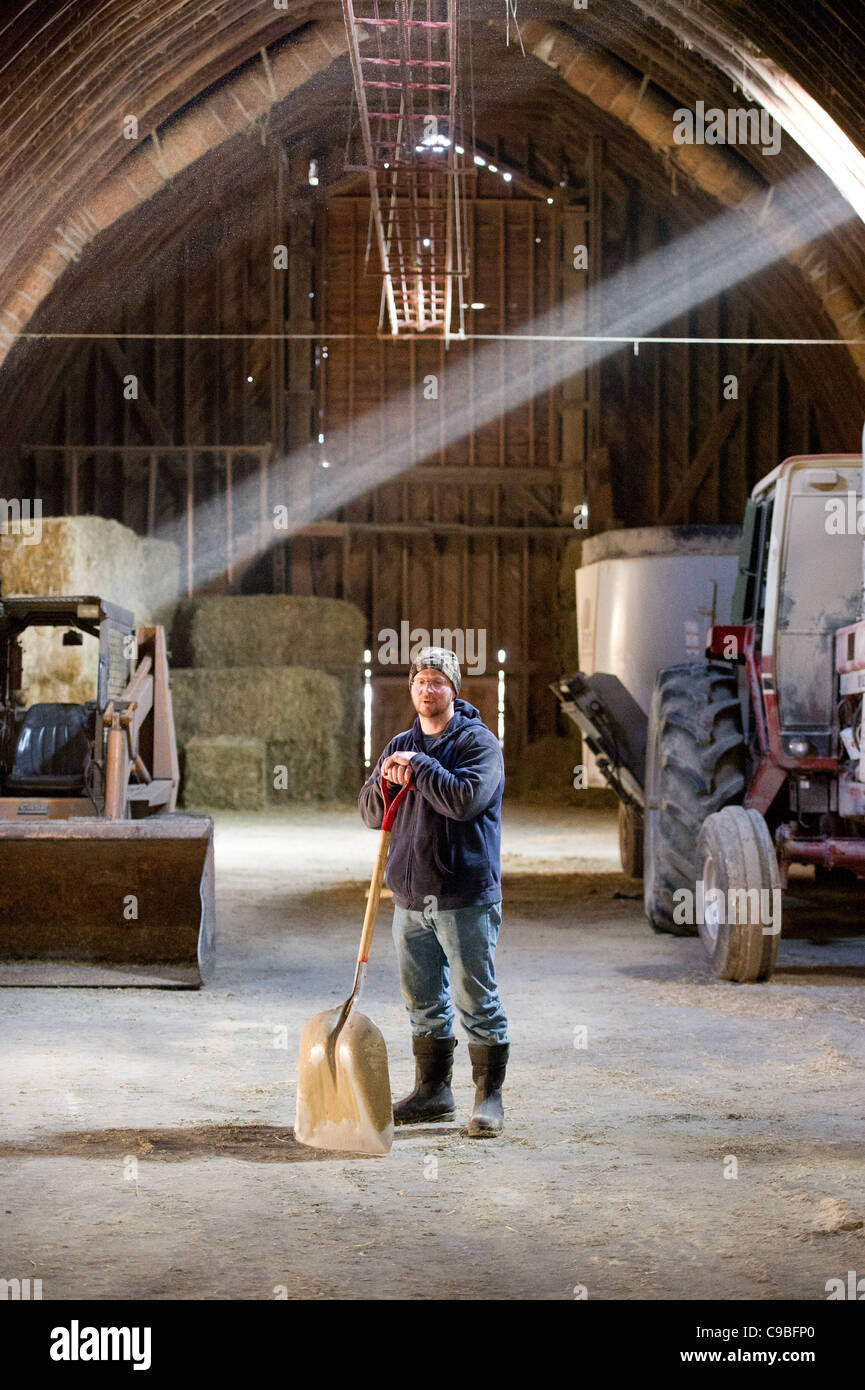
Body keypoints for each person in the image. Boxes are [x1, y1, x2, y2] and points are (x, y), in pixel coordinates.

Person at [358, 645, 509, 1137]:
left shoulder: (478, 744)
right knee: (422, 1001)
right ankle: (432, 1092)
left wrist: (419, 768)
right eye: (420, 681)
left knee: (475, 1001)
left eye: (437, 681)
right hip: (410, 897)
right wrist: (384, 780)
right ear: (412, 690)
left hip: (463, 896)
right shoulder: (398, 743)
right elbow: (369, 812)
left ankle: (488, 1100)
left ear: (453, 689)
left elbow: (464, 801)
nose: (428, 689)